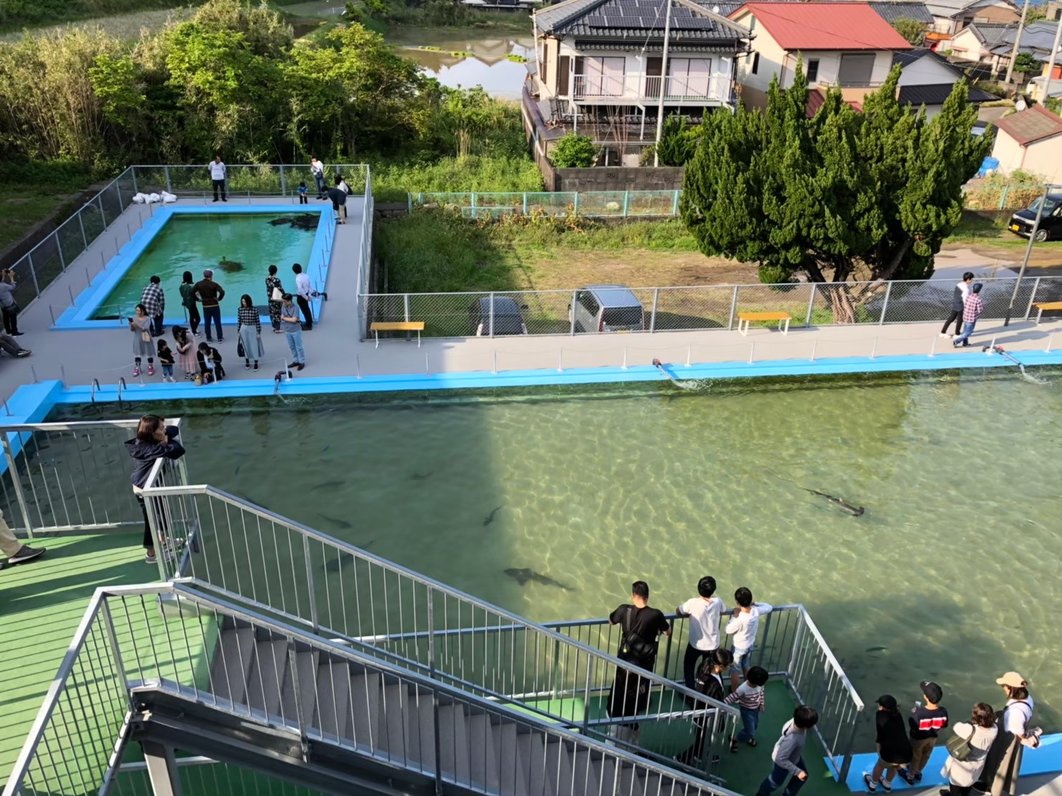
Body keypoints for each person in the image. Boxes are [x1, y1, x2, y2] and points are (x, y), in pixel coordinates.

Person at [606, 581, 670, 745]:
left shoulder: (623, 610)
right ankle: (632, 742)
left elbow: (611, 620)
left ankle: (612, 735)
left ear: (633, 595)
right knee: (638, 696)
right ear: (647, 597)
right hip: (644, 664)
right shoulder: (655, 615)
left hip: (625, 660)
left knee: (619, 691)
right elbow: (668, 632)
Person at [125, 415, 185, 564]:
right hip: (144, 491)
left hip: (153, 486)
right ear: (151, 432)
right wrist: (165, 444)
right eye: (161, 428)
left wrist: (164, 436)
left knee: (163, 514)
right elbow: (178, 450)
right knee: (151, 522)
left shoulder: (151, 440)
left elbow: (173, 429)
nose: (164, 430)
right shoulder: (148, 449)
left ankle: (163, 541)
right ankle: (151, 554)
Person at [979, 672, 1040, 796]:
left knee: (1000, 763)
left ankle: (993, 789)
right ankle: (994, 785)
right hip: (1011, 736)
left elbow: (1018, 730)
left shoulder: (1015, 711)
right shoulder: (1027, 698)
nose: (1003, 689)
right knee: (1007, 764)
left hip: (1008, 740)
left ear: (1011, 688)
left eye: (1005, 686)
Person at [676, 648, 733, 765]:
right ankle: (683, 758)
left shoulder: (705, 667)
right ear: (720, 666)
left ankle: (700, 755)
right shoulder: (712, 684)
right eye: (729, 666)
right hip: (707, 716)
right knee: (701, 740)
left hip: (700, 710)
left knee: (702, 738)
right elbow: (715, 702)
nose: (729, 668)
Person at [676, 575, 726, 690]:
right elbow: (723, 610)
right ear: (713, 590)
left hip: (696, 644)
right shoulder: (718, 601)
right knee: (711, 670)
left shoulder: (692, 603)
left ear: (698, 588)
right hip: (713, 645)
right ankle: (708, 691)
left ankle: (690, 693)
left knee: (689, 666)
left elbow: (678, 611)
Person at [755, 705, 819, 796]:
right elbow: (780, 759)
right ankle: (761, 794)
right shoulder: (793, 739)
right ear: (805, 726)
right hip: (783, 762)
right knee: (774, 782)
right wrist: (798, 772)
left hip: (792, 757)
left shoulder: (795, 721)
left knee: (803, 776)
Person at [941, 703, 998, 796]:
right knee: (969, 783)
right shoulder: (994, 729)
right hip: (978, 764)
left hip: (962, 765)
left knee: (955, 785)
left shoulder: (970, 729)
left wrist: (970, 723)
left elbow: (956, 726)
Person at [900, 681, 948, 785]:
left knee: (915, 756)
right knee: (926, 755)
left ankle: (910, 776)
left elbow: (913, 725)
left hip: (918, 739)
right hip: (933, 738)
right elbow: (944, 725)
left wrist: (914, 713)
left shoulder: (919, 713)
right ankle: (918, 772)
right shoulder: (943, 711)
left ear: (926, 697)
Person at [725, 587, 774, 689]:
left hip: (738, 647)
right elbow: (769, 607)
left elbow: (728, 630)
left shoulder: (740, 618)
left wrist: (734, 615)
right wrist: (755, 603)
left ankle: (735, 693)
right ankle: (749, 689)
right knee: (746, 666)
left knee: (734, 670)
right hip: (749, 645)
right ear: (750, 600)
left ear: (737, 602)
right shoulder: (756, 611)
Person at [864, 695, 913, 793]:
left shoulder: (880, 715)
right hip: (905, 752)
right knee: (894, 766)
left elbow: (880, 734)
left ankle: (872, 784)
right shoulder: (898, 714)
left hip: (891, 752)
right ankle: (887, 784)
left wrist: (879, 749)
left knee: (880, 765)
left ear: (883, 707)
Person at [727, 666, 769, 752]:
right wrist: (721, 704)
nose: (762, 684)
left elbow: (761, 693)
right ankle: (735, 739)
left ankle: (748, 737)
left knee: (755, 726)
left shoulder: (759, 685)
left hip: (756, 709)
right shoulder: (742, 689)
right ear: (756, 682)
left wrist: (761, 703)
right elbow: (732, 697)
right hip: (746, 711)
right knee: (750, 730)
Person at [192, 269, 226, 343]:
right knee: (217, 322)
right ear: (211, 276)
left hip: (205, 306)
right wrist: (218, 299)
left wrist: (198, 299)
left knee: (207, 323)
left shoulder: (198, 284)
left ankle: (209, 338)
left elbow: (192, 292)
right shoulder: (214, 284)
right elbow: (222, 292)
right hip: (214, 305)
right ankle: (220, 338)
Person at [941, 272, 974, 338]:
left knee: (951, 318)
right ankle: (957, 334)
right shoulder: (966, 289)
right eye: (971, 279)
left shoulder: (958, 284)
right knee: (960, 320)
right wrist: (967, 308)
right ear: (968, 279)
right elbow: (965, 300)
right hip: (960, 306)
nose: (972, 281)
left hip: (955, 304)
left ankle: (942, 332)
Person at [236, 294, 264, 370]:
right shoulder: (240, 309)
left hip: (252, 328)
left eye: (245, 302)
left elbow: (257, 321)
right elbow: (239, 321)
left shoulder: (254, 309)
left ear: (248, 301)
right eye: (242, 302)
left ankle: (256, 362)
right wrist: (238, 330)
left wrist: (258, 332)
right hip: (243, 328)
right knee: (245, 346)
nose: (243, 303)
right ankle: (247, 361)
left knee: (254, 345)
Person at [952, 282, 984, 348]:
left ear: (973, 289)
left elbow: (965, 304)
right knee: (968, 333)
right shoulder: (978, 299)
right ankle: (956, 341)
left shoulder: (969, 296)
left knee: (965, 331)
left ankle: (965, 343)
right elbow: (980, 310)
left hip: (965, 316)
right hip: (972, 318)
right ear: (979, 290)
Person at [280, 293, 305, 371]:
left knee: (299, 347)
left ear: (289, 301)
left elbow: (294, 320)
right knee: (292, 347)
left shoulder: (296, 307)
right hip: (287, 330)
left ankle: (302, 362)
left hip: (295, 330)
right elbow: (282, 317)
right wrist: (287, 319)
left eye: (284, 301)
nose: (283, 303)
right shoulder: (283, 306)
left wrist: (284, 318)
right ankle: (296, 360)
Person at [129, 304, 155, 377]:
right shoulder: (134, 318)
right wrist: (131, 325)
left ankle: (150, 366)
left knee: (148, 353)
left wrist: (136, 324)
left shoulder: (147, 318)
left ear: (142, 311)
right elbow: (132, 330)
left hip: (146, 336)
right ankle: (137, 367)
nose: (137, 312)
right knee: (137, 353)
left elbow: (145, 328)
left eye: (138, 310)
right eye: (136, 310)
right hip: (137, 337)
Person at [179, 271, 200, 336]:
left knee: (191, 316)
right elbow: (195, 295)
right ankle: (194, 331)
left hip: (186, 303)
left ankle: (194, 329)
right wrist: (200, 300)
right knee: (198, 318)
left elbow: (182, 295)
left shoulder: (181, 286)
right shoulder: (191, 287)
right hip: (192, 303)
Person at [0, 268, 20, 335]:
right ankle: (15, 331)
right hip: (9, 304)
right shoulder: (3, 286)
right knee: (13, 318)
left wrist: (3, 275)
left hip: (3, 305)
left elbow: (1, 281)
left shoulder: (2, 285)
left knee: (6, 318)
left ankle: (8, 331)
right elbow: (13, 287)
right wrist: (11, 277)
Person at [292, 263, 312, 330]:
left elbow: (300, 290)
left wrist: (306, 298)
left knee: (305, 310)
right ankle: (309, 322)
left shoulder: (298, 279)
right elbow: (309, 286)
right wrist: (308, 295)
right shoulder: (306, 276)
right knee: (307, 309)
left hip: (301, 297)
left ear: (294, 271)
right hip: (306, 294)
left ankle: (308, 325)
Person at [265, 265, 283, 333]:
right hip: (276, 299)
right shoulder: (277, 280)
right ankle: (277, 329)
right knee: (277, 313)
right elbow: (280, 289)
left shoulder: (266, 280)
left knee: (272, 313)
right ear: (276, 271)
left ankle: (274, 327)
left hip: (270, 299)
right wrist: (284, 296)